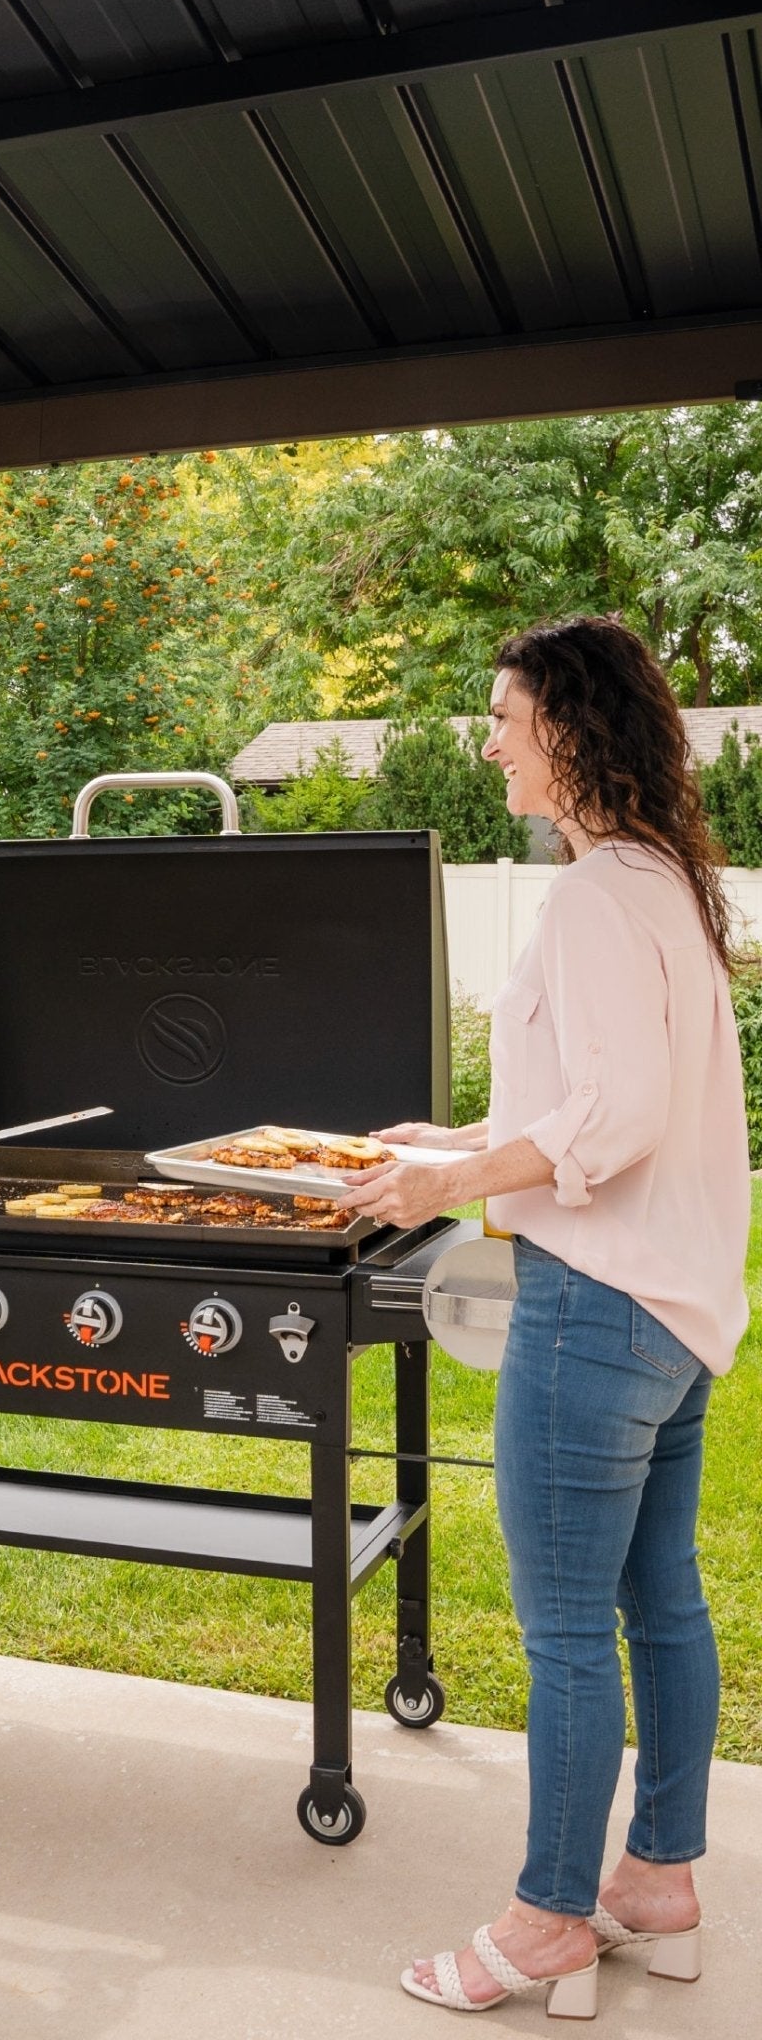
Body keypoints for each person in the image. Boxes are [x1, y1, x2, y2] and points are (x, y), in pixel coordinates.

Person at [341, 617, 746, 2016]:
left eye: (504, 716)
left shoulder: (587, 898)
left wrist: (463, 1176)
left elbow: (617, 1118)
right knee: (656, 1605)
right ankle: (657, 1883)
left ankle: (544, 1923)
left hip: (592, 1311)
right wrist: (461, 1133)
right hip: (677, 1318)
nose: (489, 739)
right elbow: (601, 1091)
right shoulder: (656, 886)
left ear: (567, 729)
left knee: (565, 1630)